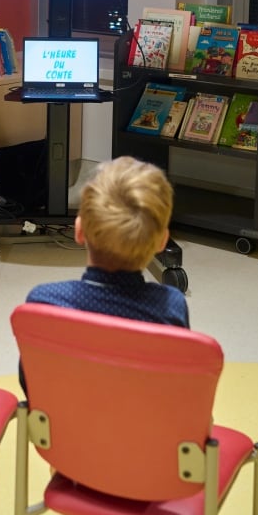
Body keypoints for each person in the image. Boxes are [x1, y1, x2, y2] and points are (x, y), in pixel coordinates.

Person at [19, 155, 189, 393]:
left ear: (79, 231)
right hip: (141, 428)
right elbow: (174, 387)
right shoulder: (170, 307)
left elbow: (31, 383)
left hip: (66, 428)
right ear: (162, 241)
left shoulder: (45, 301)